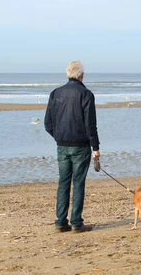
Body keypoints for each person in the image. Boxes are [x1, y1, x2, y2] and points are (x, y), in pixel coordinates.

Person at [44, 60, 100, 233]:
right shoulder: (86, 94)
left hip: (63, 145)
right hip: (80, 146)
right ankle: (75, 222)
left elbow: (48, 123)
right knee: (78, 183)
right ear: (81, 76)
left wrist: (59, 136)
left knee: (63, 183)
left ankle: (61, 221)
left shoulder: (56, 93)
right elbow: (90, 124)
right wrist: (95, 147)